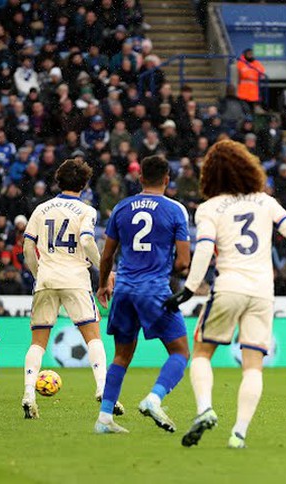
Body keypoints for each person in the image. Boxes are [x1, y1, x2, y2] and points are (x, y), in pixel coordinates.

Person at [167, 140, 286, 449]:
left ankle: (204, 409)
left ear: (211, 175)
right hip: (262, 293)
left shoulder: (209, 208)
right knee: (253, 366)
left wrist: (190, 288)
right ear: (248, 167)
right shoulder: (265, 201)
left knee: (202, 353)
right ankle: (239, 433)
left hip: (229, 286)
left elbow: (204, 248)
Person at [93, 155, 193, 434]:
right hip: (154, 289)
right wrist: (163, 272)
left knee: (121, 356)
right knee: (180, 352)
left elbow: (107, 255)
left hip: (123, 288)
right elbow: (184, 262)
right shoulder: (175, 210)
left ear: (139, 179)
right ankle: (154, 398)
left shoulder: (122, 208)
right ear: (167, 179)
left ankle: (104, 419)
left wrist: (103, 284)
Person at [21, 159, 119, 419]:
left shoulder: (41, 209)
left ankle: (29, 393)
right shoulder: (86, 210)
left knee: (38, 342)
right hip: (75, 279)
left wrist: (38, 273)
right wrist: (105, 272)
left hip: (46, 279)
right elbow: (87, 241)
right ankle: (102, 389)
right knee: (93, 337)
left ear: (58, 181)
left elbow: (27, 248)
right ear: (85, 184)